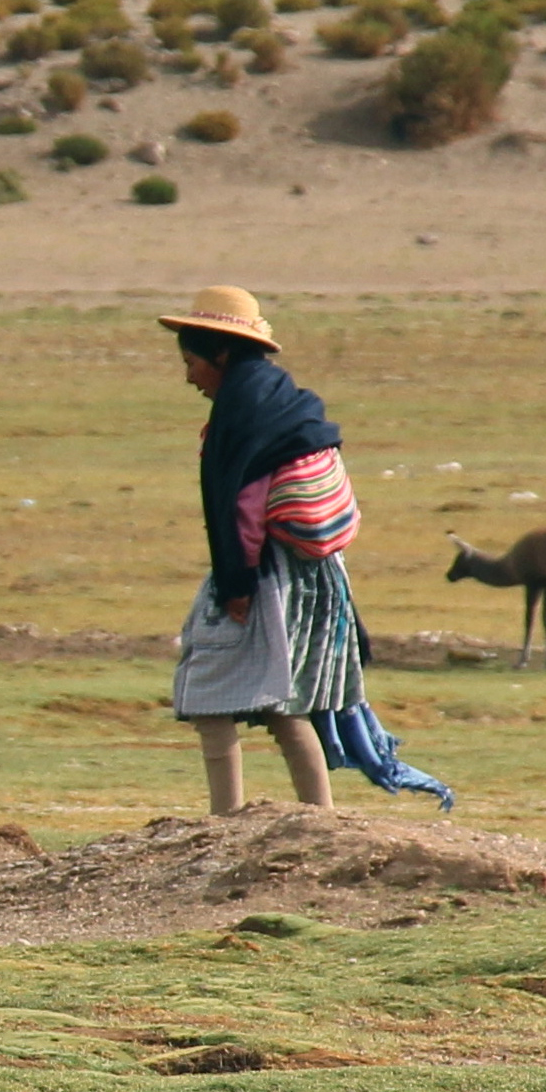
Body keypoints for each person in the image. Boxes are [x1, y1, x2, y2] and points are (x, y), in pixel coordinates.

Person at [161, 285, 451, 815]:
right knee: (286, 700)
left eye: (191, 361)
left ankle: (224, 824)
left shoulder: (240, 413)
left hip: (268, 571)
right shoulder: (284, 400)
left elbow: (243, 506)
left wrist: (236, 584)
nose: (188, 377)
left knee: (208, 693)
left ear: (220, 353)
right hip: (318, 575)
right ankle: (320, 820)